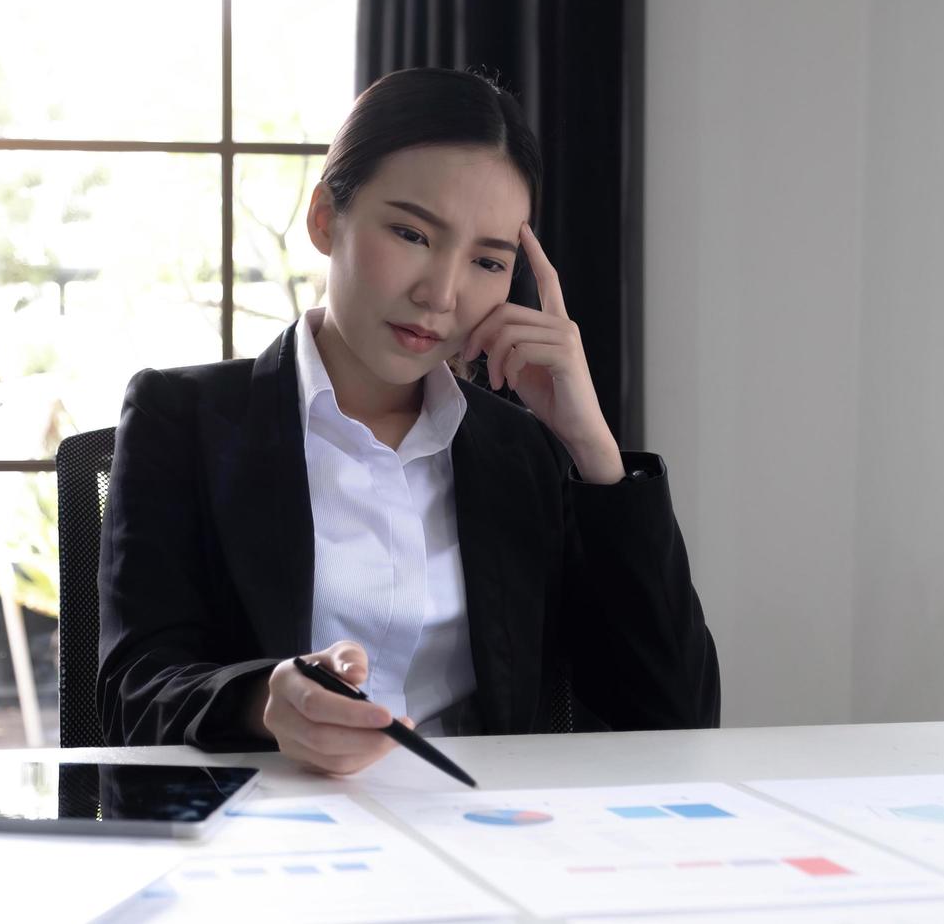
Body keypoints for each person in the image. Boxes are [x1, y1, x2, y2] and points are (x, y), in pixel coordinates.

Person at [97, 67, 720, 775]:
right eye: (411, 233)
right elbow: (132, 696)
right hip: (269, 845)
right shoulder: (182, 421)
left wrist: (594, 451)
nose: (442, 293)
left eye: (488, 260)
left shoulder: (520, 451)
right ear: (326, 218)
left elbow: (676, 714)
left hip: (485, 839)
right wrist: (265, 704)